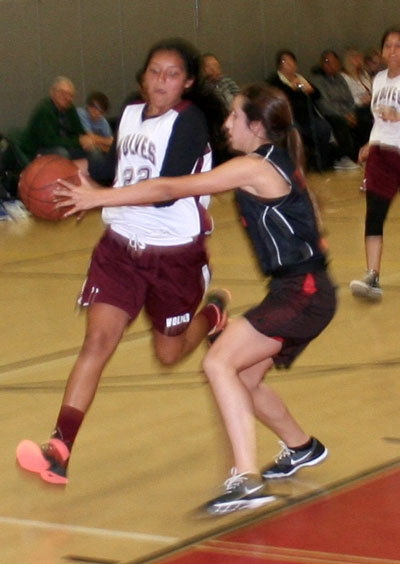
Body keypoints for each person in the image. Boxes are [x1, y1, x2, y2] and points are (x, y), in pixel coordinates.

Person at [54, 84, 337, 515]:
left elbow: (169, 188)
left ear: (256, 126)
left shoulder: (254, 166)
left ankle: (244, 480)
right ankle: (302, 446)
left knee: (218, 362)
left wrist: (99, 198)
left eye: (234, 117)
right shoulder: (267, 162)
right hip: (298, 290)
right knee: (242, 378)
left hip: (304, 292)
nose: (226, 124)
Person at [16, 37, 230, 485]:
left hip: (174, 256)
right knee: (97, 343)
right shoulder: (131, 113)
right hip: (120, 250)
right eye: (154, 71)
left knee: (169, 353)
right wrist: (76, 181)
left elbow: (163, 191)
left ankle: (212, 314)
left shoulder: (189, 123)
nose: (161, 81)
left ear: (187, 82)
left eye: (172, 75)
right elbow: (114, 169)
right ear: (143, 75)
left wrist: (99, 196)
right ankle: (59, 448)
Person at [350, 28, 400, 300]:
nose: (393, 50)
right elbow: (378, 120)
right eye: (388, 46)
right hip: (382, 156)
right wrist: (372, 143)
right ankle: (372, 275)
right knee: (374, 216)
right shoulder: (378, 79)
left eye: (398, 45)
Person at [267, 50, 335, 171]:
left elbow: (317, 95)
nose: (289, 65)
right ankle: (295, 167)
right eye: (285, 62)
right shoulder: (275, 81)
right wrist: (292, 89)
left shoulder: (300, 78)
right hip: (288, 118)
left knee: (324, 128)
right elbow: (282, 98)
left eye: (291, 62)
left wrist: (310, 90)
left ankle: (321, 163)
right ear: (280, 64)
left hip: (307, 117)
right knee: (295, 131)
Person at [20, 76, 93, 160]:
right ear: (52, 92)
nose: (67, 98)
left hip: (64, 145)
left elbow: (79, 131)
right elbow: (50, 142)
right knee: (61, 153)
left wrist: (87, 140)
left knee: (93, 150)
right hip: (40, 148)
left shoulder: (70, 108)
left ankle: (98, 173)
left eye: (71, 95)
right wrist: (78, 141)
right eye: (63, 93)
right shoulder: (44, 110)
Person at [311, 50, 362, 169]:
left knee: (364, 117)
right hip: (329, 114)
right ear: (322, 64)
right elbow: (324, 105)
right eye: (327, 62)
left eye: (333, 62)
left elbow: (350, 100)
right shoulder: (317, 80)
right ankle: (343, 158)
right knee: (340, 122)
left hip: (346, 112)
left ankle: (362, 155)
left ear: (338, 64)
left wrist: (351, 113)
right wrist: (344, 116)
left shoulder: (341, 78)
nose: (331, 65)